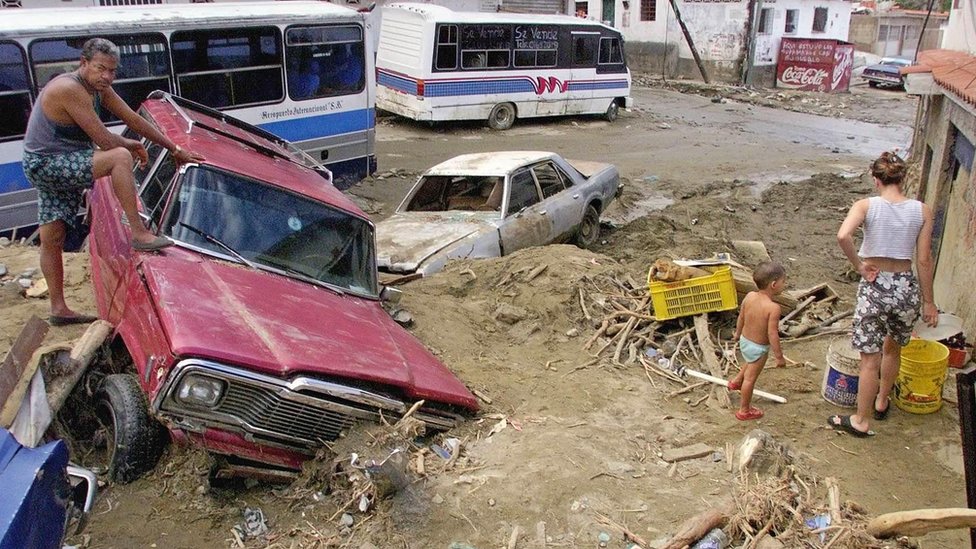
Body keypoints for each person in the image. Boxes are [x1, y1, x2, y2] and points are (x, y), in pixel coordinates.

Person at [22, 38, 204, 326]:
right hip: (47, 163)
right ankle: (139, 232)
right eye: (100, 68)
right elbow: (105, 141)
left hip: (56, 159)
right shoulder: (70, 89)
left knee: (52, 236)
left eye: (112, 71)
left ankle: (58, 308)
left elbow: (132, 118)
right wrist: (133, 146)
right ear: (83, 64)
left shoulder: (98, 88)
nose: (106, 76)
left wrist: (174, 148)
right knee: (119, 157)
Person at [829, 151, 938, 437]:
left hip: (875, 285)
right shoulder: (921, 210)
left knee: (869, 359)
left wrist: (860, 266)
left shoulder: (865, 205)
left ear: (876, 180)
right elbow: (924, 259)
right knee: (894, 348)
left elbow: (843, 236)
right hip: (905, 285)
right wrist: (929, 302)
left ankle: (861, 420)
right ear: (903, 179)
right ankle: (881, 400)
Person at [728, 261, 788, 421]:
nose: (785, 285)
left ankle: (735, 381)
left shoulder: (749, 296)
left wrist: (737, 333)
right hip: (758, 348)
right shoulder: (773, 308)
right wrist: (779, 357)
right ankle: (744, 410)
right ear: (774, 284)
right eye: (784, 281)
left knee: (749, 362)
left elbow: (741, 316)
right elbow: (772, 334)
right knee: (751, 378)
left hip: (745, 341)